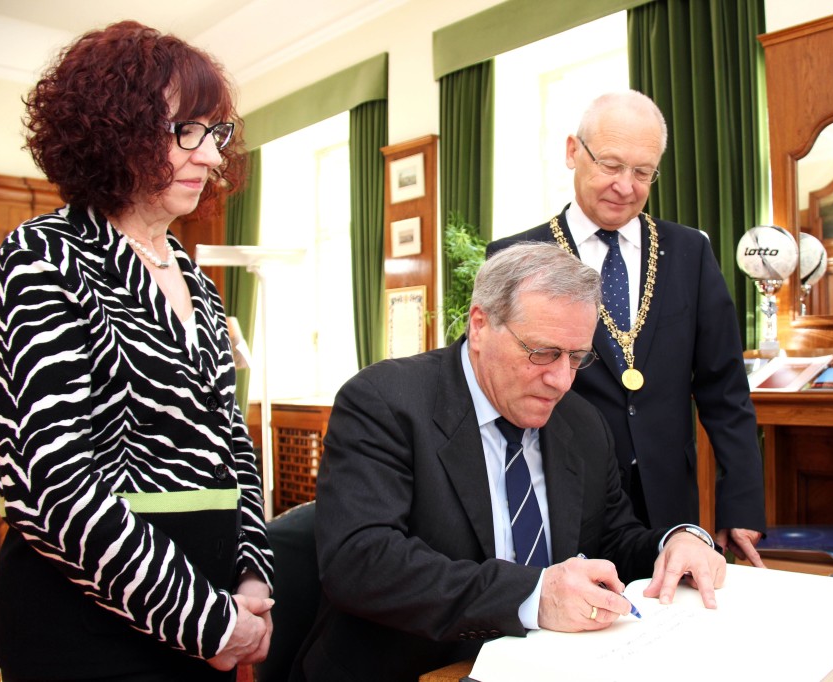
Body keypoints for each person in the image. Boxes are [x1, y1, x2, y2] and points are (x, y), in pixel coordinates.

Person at [0, 21, 274, 681]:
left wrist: (252, 573)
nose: (210, 157)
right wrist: (207, 618)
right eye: (184, 133)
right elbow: (55, 486)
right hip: (87, 626)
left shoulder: (193, 278)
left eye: (214, 134)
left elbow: (231, 443)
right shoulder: (43, 258)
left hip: (210, 611)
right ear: (113, 131)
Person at [293, 243, 727, 682]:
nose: (561, 381)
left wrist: (673, 544)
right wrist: (534, 596)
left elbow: (611, 539)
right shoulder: (385, 402)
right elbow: (361, 562)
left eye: (577, 357)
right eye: (542, 353)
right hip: (414, 667)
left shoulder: (580, 421)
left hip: (550, 666)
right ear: (480, 325)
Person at [487, 90, 766, 564]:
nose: (625, 186)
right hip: (566, 492)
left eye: (642, 172)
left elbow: (725, 388)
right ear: (573, 152)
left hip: (669, 500)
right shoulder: (517, 256)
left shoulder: (689, 253)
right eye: (611, 166)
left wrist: (741, 503)